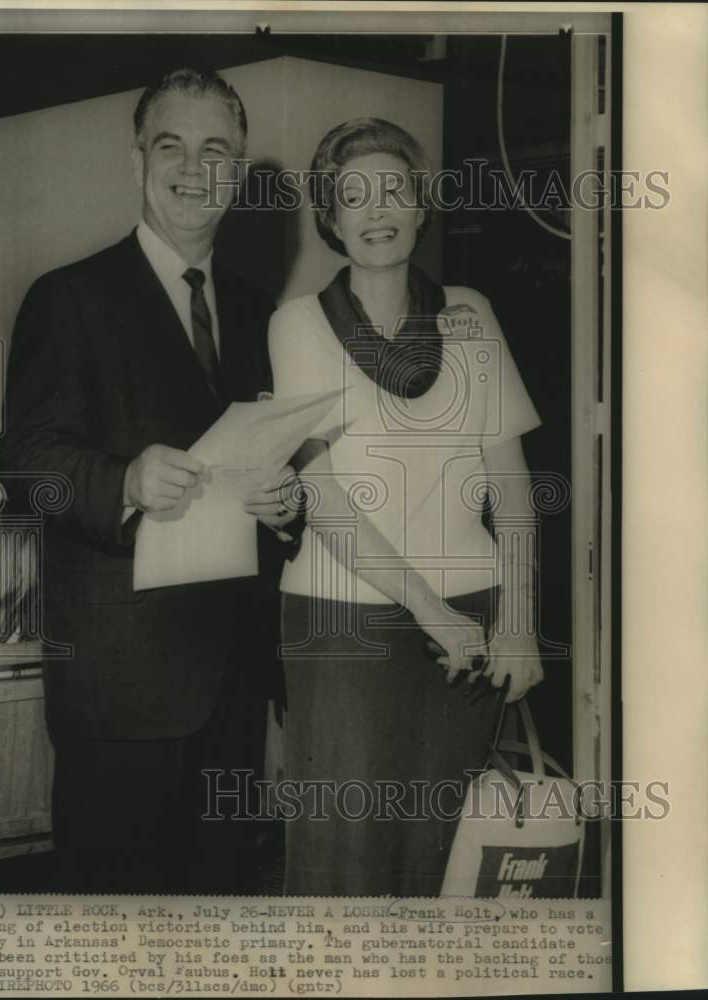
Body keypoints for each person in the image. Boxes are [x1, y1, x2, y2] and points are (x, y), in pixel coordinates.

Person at [0, 68, 296, 894]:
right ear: (138, 163)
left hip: (232, 681)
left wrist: (284, 504)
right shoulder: (69, 297)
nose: (195, 169)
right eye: (173, 147)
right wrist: (123, 479)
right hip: (118, 689)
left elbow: (272, 463)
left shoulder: (259, 311)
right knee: (113, 925)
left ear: (238, 172)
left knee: (218, 917)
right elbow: (26, 464)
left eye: (216, 151)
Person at [268, 118, 544, 896]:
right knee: (343, 859)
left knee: (447, 857)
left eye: (394, 190)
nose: (377, 209)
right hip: (342, 618)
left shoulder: (469, 314)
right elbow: (323, 497)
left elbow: (512, 485)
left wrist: (518, 622)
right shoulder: (298, 324)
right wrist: (429, 610)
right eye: (353, 196)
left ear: (422, 206)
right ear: (331, 219)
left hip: (473, 613)